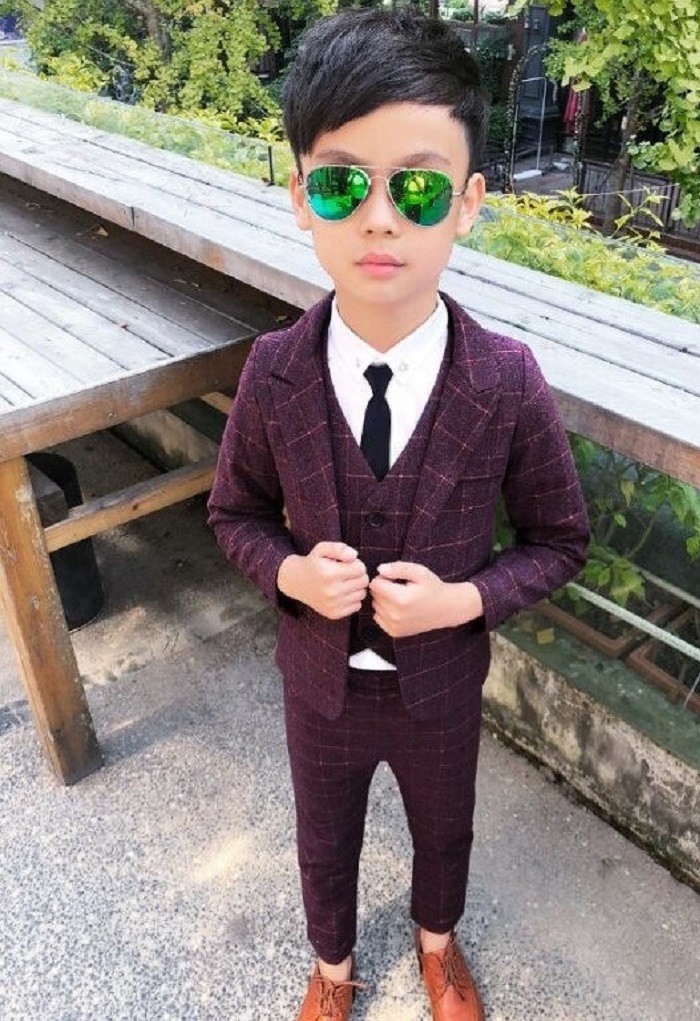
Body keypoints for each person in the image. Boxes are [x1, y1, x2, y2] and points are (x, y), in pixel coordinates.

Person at [207, 9, 589, 1020]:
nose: (379, 219)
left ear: (467, 204)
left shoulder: (505, 380)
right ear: (301, 198)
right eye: (343, 184)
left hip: (440, 685)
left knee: (444, 826)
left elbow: (559, 538)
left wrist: (464, 599)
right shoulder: (273, 371)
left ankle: (437, 944)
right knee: (322, 834)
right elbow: (234, 512)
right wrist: (289, 573)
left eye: (416, 189)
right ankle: (332, 966)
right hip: (318, 684)